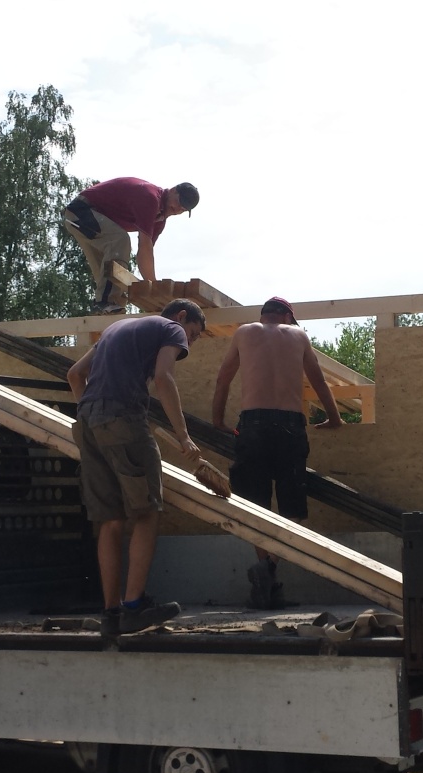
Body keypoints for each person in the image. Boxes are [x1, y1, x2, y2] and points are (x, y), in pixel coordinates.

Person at [66, 298, 207, 635]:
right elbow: (164, 378)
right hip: (123, 418)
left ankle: (111, 614)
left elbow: (74, 375)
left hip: (87, 423)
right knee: (146, 512)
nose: (188, 342)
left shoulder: (116, 328)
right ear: (182, 316)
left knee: (111, 520)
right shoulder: (170, 327)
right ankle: (133, 607)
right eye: (193, 334)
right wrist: (183, 436)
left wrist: (95, 416)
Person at [210, 296, 343, 609]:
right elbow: (319, 381)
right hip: (290, 426)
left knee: (254, 505)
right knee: (292, 505)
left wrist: (218, 421)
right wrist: (335, 418)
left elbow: (223, 379)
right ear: (286, 316)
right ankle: (269, 568)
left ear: (263, 316)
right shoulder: (298, 335)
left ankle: (265, 575)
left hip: (252, 425)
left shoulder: (244, 332)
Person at [62, 178, 199, 314]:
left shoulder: (159, 220)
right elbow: (144, 246)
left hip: (86, 219)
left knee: (107, 272)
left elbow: (145, 254)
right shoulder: (150, 198)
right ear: (173, 190)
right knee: (119, 241)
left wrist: (152, 287)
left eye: (184, 209)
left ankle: (109, 309)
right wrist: (154, 287)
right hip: (81, 212)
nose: (178, 209)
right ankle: (106, 302)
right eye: (180, 202)